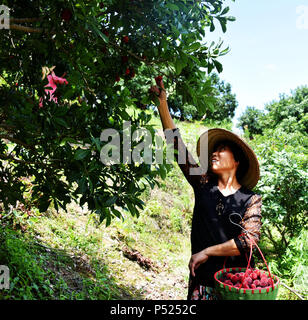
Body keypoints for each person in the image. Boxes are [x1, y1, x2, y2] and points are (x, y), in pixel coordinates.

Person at [150, 78, 262, 300]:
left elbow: (248, 242)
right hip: (201, 284)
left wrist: (207, 252)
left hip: (233, 287)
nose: (214, 154)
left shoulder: (251, 199)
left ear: (237, 160)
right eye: (214, 150)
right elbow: (176, 146)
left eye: (221, 150)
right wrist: (163, 104)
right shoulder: (203, 184)